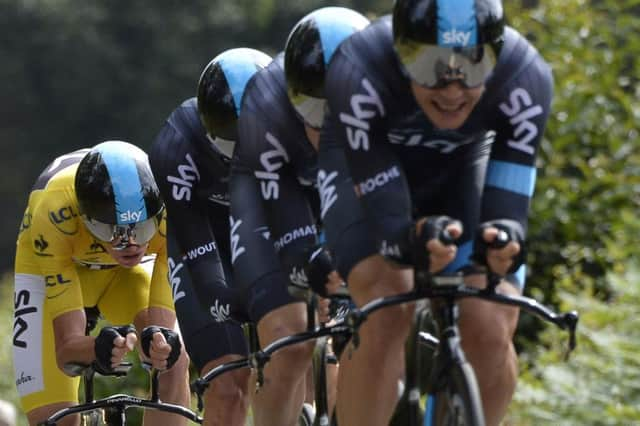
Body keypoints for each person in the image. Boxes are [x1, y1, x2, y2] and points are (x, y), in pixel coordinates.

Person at [317, 0, 553, 425]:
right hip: (367, 170)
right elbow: (391, 229)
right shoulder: (360, 67)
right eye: (429, 67)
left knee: (492, 320)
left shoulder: (525, 76)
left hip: (461, 173)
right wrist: (413, 238)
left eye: (472, 68)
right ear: (401, 51)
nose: (451, 91)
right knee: (388, 302)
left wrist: (502, 245)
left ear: (495, 58)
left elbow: (509, 216)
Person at [229, 7, 369, 426]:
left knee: (372, 322)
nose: (330, 132)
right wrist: (311, 265)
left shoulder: (390, 96)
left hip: (338, 187)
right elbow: (287, 227)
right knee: (290, 338)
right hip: (268, 191)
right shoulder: (265, 105)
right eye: (318, 116)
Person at [13, 140, 191, 426]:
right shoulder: (54, 211)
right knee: (54, 420)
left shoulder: (170, 211)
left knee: (172, 359)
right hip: (54, 266)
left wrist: (158, 345)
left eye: (141, 229)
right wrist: (97, 347)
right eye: (112, 230)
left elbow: (160, 337)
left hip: (124, 277)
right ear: (86, 218)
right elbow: (66, 351)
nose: (130, 244)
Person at [148, 47, 272, 426]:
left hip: (263, 236)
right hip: (203, 247)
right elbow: (195, 246)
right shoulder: (176, 145)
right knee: (229, 385)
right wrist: (223, 298)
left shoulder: (292, 125)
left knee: (297, 358)